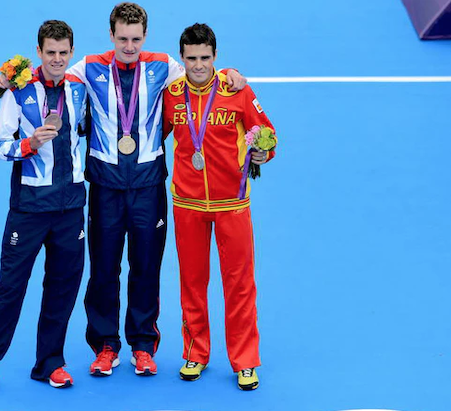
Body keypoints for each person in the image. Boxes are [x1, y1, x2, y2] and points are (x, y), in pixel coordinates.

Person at [0, 2, 247, 377]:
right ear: (111, 35)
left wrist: (228, 73)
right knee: (103, 269)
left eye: (136, 39)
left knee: (146, 267)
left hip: (148, 186)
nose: (129, 46)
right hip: (105, 187)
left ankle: (143, 345)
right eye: (123, 38)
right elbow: (49, 73)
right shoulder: (88, 68)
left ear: (145, 37)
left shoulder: (163, 65)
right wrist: (7, 82)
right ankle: (105, 345)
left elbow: (201, 73)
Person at [0, 20, 88, 395]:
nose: (57, 59)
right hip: (29, 208)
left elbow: (90, 130)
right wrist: (29, 144)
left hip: (71, 207)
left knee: (62, 289)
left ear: (72, 52)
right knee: (9, 288)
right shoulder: (18, 91)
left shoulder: (80, 89)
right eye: (50, 52)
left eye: (63, 52)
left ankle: (51, 363)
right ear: (39, 52)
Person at [162, 23, 278, 391]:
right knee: (192, 282)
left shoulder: (236, 90)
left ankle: (245, 361)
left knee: (240, 284)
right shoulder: (171, 95)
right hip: (187, 203)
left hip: (233, 204)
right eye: (191, 58)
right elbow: (153, 136)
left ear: (216, 57)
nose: (198, 65)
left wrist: (263, 152)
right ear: (182, 58)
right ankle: (195, 352)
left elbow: (267, 134)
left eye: (205, 58)